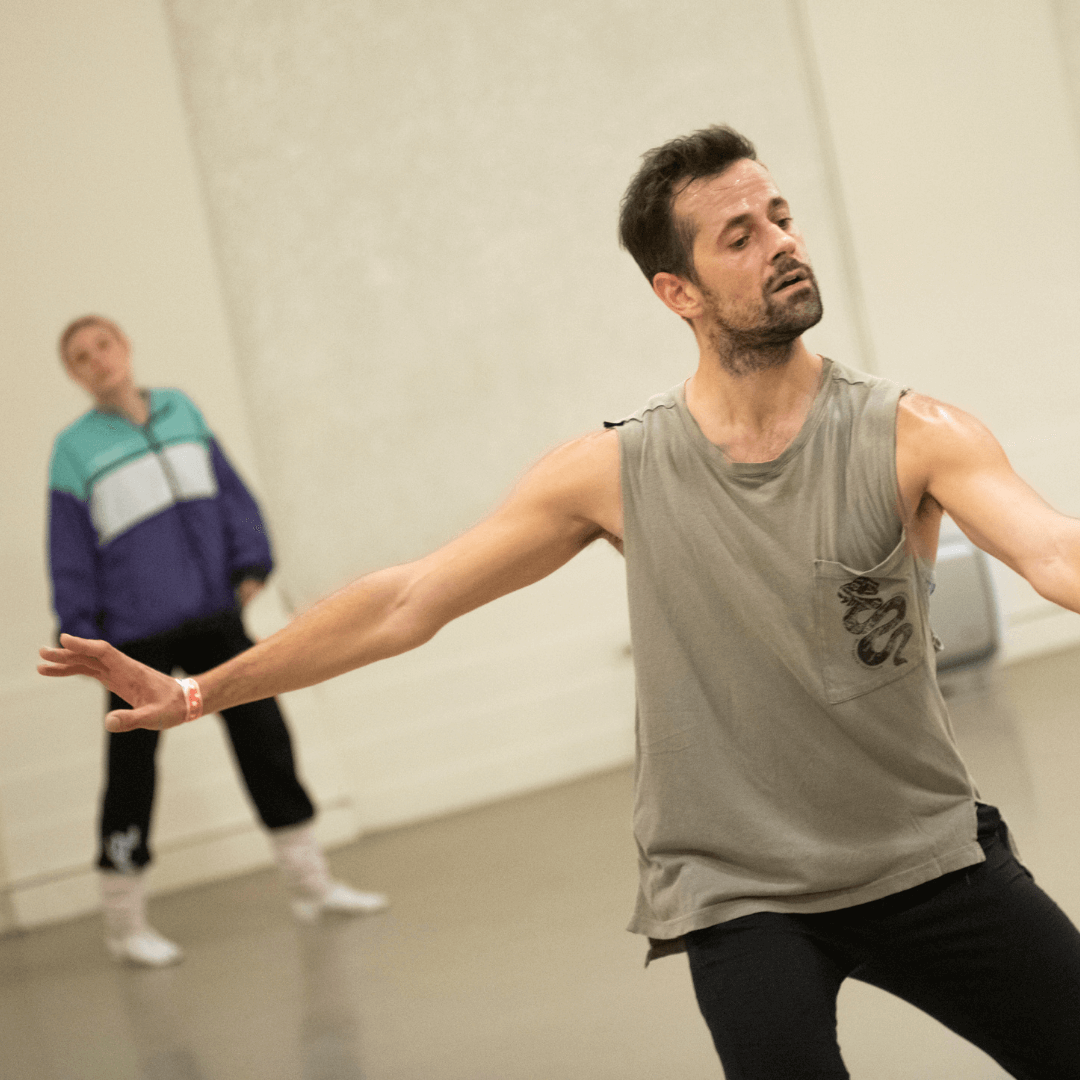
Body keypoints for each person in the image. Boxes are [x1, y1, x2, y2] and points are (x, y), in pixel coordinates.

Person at [40, 129, 1080, 1073]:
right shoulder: (615, 470)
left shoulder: (916, 433)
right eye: (738, 236)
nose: (779, 242)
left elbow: (1054, 556)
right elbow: (408, 599)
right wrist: (194, 694)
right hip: (744, 893)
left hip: (926, 854)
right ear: (678, 292)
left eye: (781, 217)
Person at [47, 316, 387, 967]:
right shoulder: (72, 450)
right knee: (131, 770)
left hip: (212, 617)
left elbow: (230, 492)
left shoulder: (182, 410)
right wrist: (85, 638)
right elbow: (68, 552)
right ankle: (123, 923)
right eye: (80, 357)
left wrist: (251, 564)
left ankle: (311, 886)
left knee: (265, 740)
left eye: (103, 346)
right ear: (74, 374)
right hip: (133, 634)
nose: (96, 361)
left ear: (124, 347)